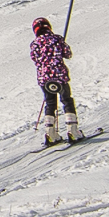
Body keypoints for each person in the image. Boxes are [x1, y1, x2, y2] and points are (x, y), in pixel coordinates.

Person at [27, 16, 79, 145]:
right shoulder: (56, 39)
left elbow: (35, 59)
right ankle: (72, 130)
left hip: (44, 79)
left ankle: (50, 133)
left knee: (50, 103)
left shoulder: (34, 44)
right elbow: (68, 54)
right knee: (67, 100)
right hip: (59, 76)